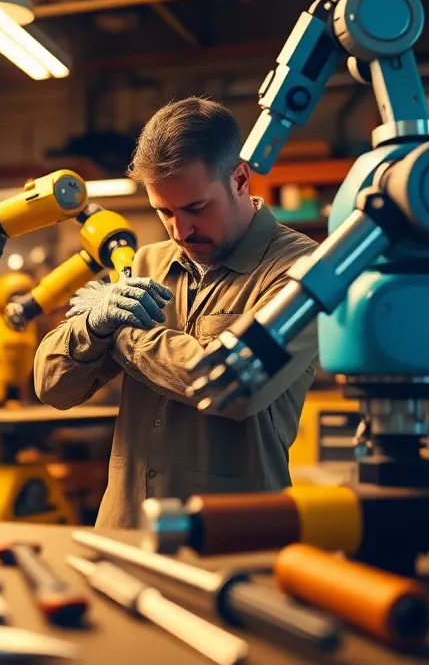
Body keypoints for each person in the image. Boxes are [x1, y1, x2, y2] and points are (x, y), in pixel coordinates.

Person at [33, 97, 320, 528]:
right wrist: (93, 326)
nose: (179, 230)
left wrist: (125, 334)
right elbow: (52, 387)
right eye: (163, 212)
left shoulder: (302, 270)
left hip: (232, 534)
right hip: (125, 529)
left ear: (240, 179)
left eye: (195, 209)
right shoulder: (143, 264)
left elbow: (237, 384)